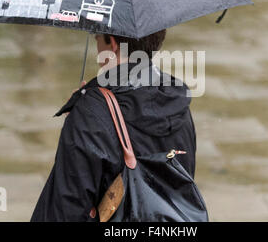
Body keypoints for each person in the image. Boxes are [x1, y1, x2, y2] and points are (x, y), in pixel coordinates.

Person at [30, 29, 197, 221]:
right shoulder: (177, 102)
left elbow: (67, 207)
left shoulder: (90, 112)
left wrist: (79, 115)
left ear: (113, 44)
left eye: (98, 39)